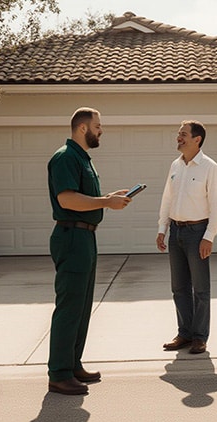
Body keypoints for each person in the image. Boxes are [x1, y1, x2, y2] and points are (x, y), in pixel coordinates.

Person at [47, 107, 131, 395]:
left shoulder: (82, 159)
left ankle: (72, 364)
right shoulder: (65, 157)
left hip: (85, 237)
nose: (101, 130)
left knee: (82, 308)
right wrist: (106, 203)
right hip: (71, 235)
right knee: (70, 307)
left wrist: (108, 198)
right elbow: (68, 199)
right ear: (83, 128)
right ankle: (58, 373)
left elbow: (87, 198)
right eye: (98, 125)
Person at [157, 120, 217, 355]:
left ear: (197, 139)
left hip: (198, 234)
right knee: (179, 287)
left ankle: (200, 336)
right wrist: (161, 228)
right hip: (175, 231)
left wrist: (209, 236)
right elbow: (167, 199)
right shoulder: (175, 166)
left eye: (183, 134)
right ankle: (184, 333)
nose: (179, 137)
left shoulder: (209, 167)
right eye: (178, 134)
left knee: (201, 289)